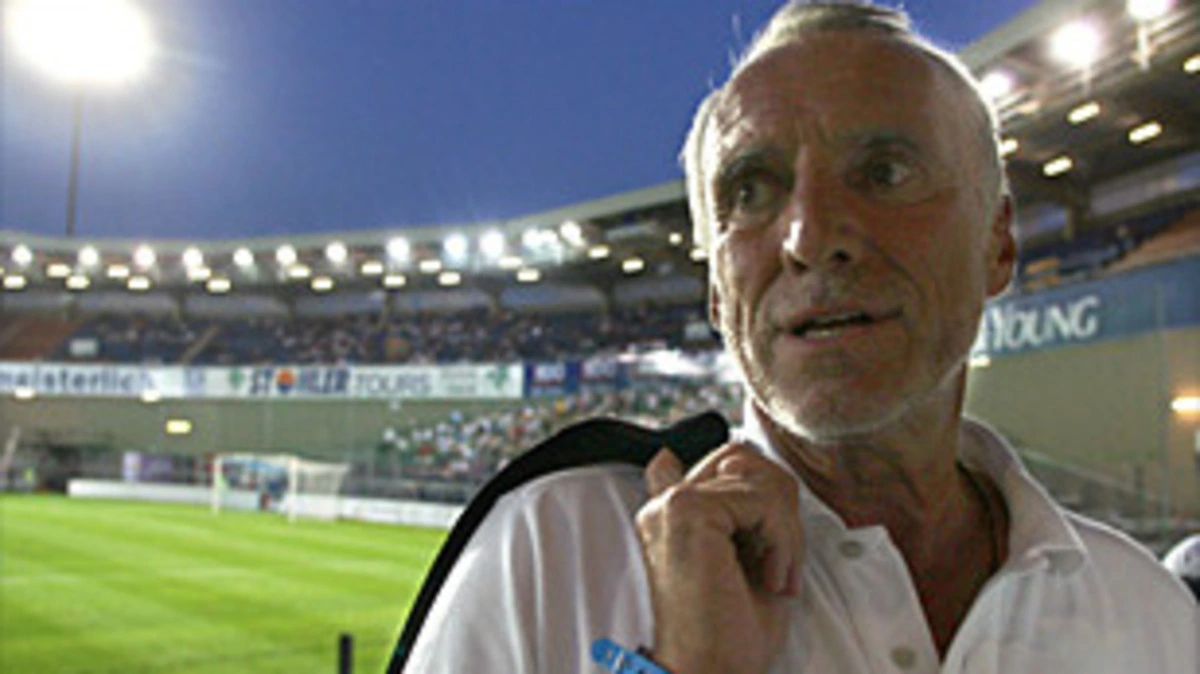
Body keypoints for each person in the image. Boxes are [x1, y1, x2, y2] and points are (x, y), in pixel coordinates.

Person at [399, 2, 1199, 672]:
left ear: (998, 243)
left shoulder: (1150, 613)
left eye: (885, 172)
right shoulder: (552, 553)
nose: (809, 237)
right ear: (717, 290)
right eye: (751, 190)